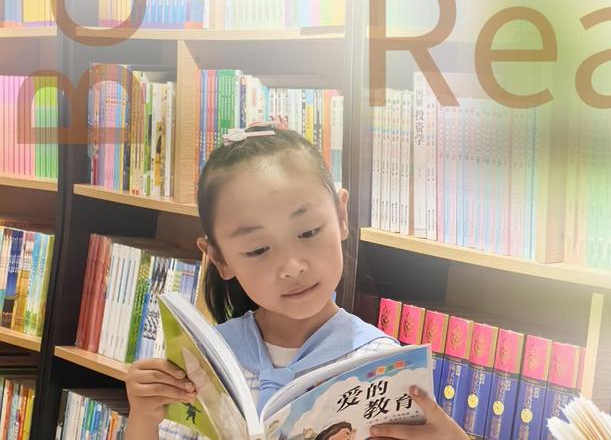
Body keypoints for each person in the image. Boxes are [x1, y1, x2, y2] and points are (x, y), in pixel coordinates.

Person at [124, 124, 467, 439]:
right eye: (258, 249)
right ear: (221, 259)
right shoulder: (206, 361)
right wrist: (143, 417)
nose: (292, 267)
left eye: (309, 231)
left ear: (341, 215)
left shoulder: (381, 367)